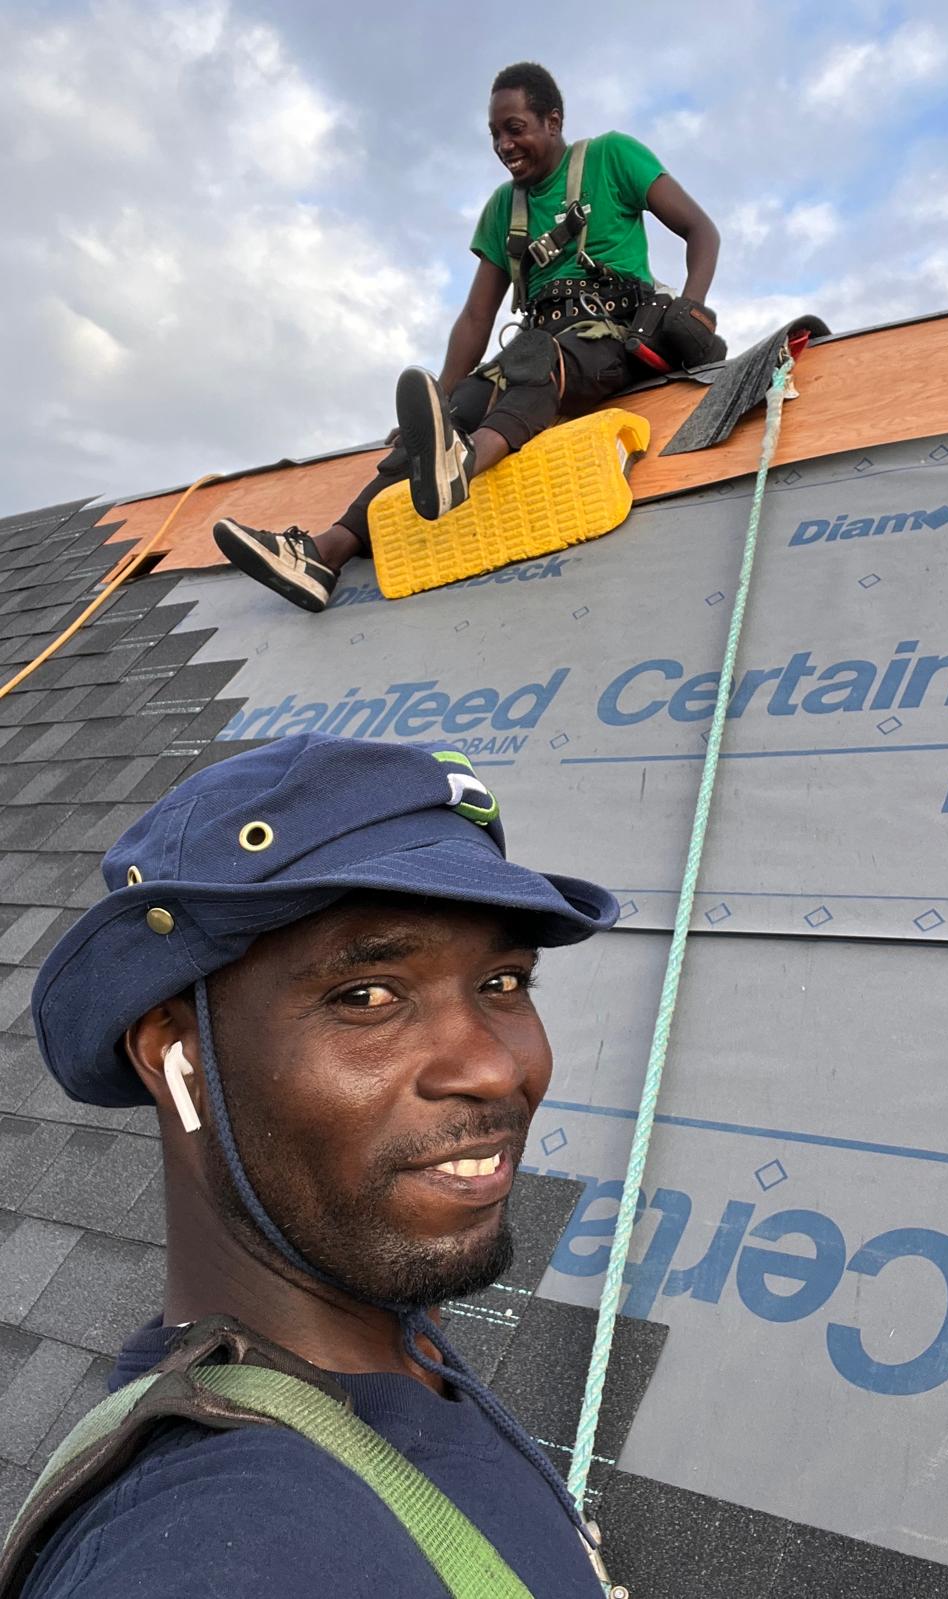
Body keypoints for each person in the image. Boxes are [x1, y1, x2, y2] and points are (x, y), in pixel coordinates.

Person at [11, 735, 621, 1597]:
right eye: (368, 994)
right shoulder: (207, 1550)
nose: (491, 1067)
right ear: (173, 1053)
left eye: (503, 982)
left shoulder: (393, 1329)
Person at [213, 60, 721, 613]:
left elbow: (701, 230)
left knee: (533, 361)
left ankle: (463, 464)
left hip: (610, 337)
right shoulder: (506, 208)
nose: (504, 145)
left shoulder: (613, 156)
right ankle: (322, 555)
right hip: (540, 345)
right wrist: (439, 406)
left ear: (553, 121)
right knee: (448, 416)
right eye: (496, 134)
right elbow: (477, 317)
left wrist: (691, 306)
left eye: (516, 128)